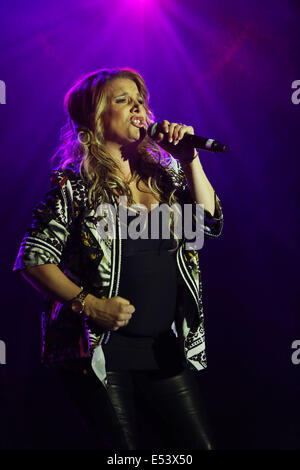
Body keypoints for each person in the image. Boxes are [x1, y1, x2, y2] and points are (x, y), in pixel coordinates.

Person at [13, 67, 223, 450]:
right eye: (123, 100)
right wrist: (90, 305)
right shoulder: (73, 186)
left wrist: (189, 158)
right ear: (95, 117)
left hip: (164, 348)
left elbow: (208, 223)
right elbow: (33, 258)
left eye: (140, 101)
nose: (138, 108)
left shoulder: (165, 175)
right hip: (101, 352)